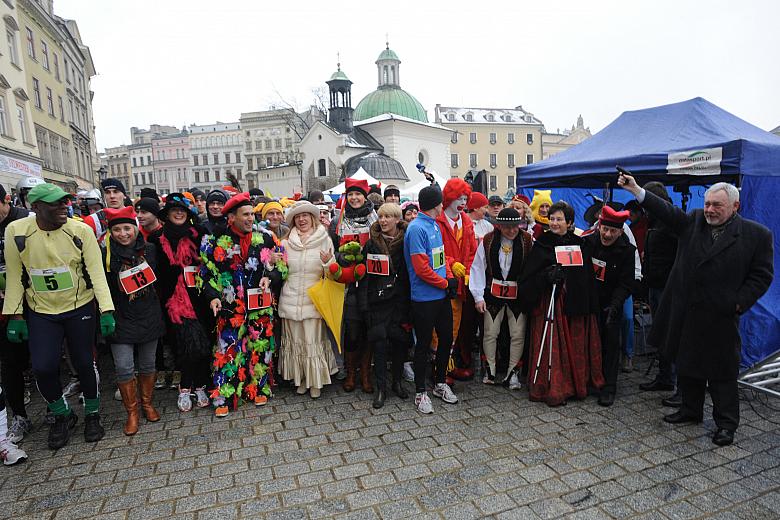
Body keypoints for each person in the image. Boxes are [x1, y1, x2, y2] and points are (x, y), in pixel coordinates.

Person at [618, 173, 773, 446]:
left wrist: (738, 303)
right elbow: (665, 210)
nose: (710, 210)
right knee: (687, 363)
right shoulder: (694, 221)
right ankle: (690, 411)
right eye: (708, 203)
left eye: (717, 206)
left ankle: (726, 424)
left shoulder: (756, 235)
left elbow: (761, 276)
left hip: (721, 315)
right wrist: (636, 190)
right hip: (688, 311)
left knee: (721, 373)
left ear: (735, 207)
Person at [4, 183, 115, 449]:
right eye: (56, 203)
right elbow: (15, 276)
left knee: (84, 363)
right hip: (42, 310)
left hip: (79, 307)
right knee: (43, 367)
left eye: (66, 202)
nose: (64, 206)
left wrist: (107, 310)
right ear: (36, 207)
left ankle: (92, 413)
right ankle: (63, 414)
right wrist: (14, 315)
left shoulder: (80, 230)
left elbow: (97, 273)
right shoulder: (16, 232)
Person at [199, 192, 284, 416]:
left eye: (252, 215)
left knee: (260, 349)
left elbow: (284, 266)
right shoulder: (214, 240)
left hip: (260, 306)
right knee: (228, 351)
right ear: (231, 217)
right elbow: (206, 274)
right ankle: (224, 395)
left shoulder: (266, 237)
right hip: (230, 307)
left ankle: (258, 388)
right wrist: (213, 296)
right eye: (245, 215)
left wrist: (272, 275)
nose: (250, 219)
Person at [517, 201, 604, 406]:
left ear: (570, 222)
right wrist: (546, 276)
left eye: (559, 219)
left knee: (575, 344)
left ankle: (576, 383)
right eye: (552, 219)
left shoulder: (580, 243)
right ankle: (554, 385)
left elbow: (586, 276)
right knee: (552, 346)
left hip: (575, 303)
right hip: (551, 303)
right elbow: (529, 276)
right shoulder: (542, 243)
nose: (554, 223)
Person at [102, 206, 164, 435]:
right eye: (117, 229)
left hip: (148, 314)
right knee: (124, 366)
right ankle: (132, 412)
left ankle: (148, 404)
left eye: (127, 228)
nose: (123, 233)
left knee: (148, 364)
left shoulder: (150, 249)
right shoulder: (105, 254)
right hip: (121, 316)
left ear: (135, 228)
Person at [148, 193, 213, 413]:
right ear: (166, 215)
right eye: (174, 210)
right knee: (185, 344)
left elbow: (211, 261)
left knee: (203, 343)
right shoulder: (156, 239)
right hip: (173, 301)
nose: (178, 213)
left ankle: (201, 383)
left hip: (199, 297)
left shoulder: (199, 234)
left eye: (182, 211)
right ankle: (186, 386)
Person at [404, 185, 458, 414]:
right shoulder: (417, 228)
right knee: (423, 345)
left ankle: (439, 382)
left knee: (446, 339)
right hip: (424, 298)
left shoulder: (434, 225)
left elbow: (439, 259)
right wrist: (446, 283)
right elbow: (421, 268)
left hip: (440, 295)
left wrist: (450, 277)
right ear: (437, 204)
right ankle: (420, 392)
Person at [278, 201, 337, 398]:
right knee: (296, 342)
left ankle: (316, 381)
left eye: (305, 216)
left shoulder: (324, 240)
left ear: (312, 218)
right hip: (290, 299)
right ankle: (301, 378)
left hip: (314, 300)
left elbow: (332, 273)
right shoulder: (285, 243)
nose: (302, 219)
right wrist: (272, 265)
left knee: (313, 343)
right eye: (297, 216)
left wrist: (329, 263)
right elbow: (280, 273)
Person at [470, 208, 533, 389]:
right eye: (507, 227)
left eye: (514, 226)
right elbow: (477, 267)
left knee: (517, 334)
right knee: (490, 333)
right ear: (499, 226)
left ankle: (513, 373)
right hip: (493, 294)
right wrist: (478, 297)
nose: (511, 231)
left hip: (517, 295)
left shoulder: (527, 240)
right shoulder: (488, 240)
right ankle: (490, 370)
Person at [583, 206, 636, 407]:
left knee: (610, 346)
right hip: (589, 302)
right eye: (605, 229)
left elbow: (626, 283)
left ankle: (609, 387)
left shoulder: (627, 251)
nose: (607, 234)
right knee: (588, 342)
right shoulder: (588, 242)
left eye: (613, 231)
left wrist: (615, 306)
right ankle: (588, 380)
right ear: (599, 226)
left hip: (611, 303)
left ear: (621, 232)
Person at [329, 178, 378, 394]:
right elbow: (331, 250)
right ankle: (350, 372)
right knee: (352, 331)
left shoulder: (374, 219)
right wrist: (343, 258)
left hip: (370, 282)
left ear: (365, 196)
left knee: (368, 330)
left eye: (358, 194)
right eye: (351, 195)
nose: (355, 198)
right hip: (347, 285)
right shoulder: (337, 221)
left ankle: (365, 374)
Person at [361, 203, 412, 408]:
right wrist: (365, 305)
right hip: (378, 301)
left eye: (388, 217)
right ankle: (381, 388)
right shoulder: (371, 244)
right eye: (381, 217)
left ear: (397, 219)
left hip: (400, 302)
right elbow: (365, 277)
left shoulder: (407, 240)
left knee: (399, 344)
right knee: (380, 345)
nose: (383, 221)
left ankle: (397, 382)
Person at [637, 182, 679, 399]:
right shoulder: (655, 221)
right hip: (655, 284)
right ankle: (664, 377)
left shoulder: (672, 222)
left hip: (668, 288)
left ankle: (676, 381)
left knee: (671, 335)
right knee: (660, 333)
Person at [0, 184, 33, 445]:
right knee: (9, 363)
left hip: (34, 301)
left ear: (6, 201)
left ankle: (56, 409)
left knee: (43, 359)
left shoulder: (26, 220)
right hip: (3, 307)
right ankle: (19, 415)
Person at [436, 179, 478, 381]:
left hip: (461, 283)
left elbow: (472, 251)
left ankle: (448, 364)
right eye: (458, 198)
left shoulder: (467, 222)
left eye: (464, 198)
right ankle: (440, 368)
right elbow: (435, 251)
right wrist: (451, 265)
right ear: (449, 198)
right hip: (442, 282)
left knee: (456, 324)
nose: (462, 202)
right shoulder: (438, 221)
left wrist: (469, 271)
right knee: (441, 326)